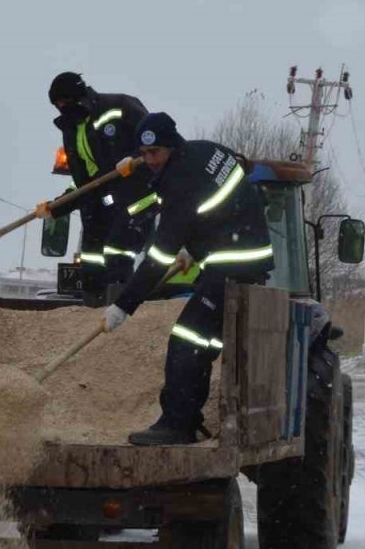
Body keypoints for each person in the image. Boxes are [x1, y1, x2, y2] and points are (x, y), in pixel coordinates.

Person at [103, 112, 275, 446]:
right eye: (144, 154)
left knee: (185, 340)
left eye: (155, 153)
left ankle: (177, 425)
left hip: (232, 264)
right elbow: (220, 200)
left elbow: (159, 257)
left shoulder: (179, 183)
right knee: (203, 342)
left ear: (171, 145)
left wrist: (123, 306)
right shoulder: (206, 150)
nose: (150, 160)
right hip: (245, 257)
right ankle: (189, 419)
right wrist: (196, 248)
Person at [38, 72, 154, 307]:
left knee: (117, 253)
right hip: (100, 202)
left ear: (76, 97)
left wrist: (134, 159)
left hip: (135, 196)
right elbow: (84, 184)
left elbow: (154, 139)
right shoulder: (71, 129)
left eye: (62, 102)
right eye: (56, 105)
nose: (60, 108)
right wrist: (56, 207)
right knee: (91, 260)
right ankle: (93, 309)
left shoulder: (119, 107)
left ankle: (120, 308)